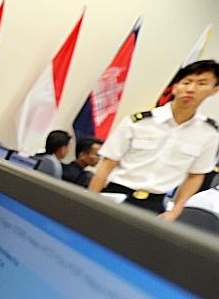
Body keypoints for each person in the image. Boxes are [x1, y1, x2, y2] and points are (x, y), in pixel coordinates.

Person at [89, 60, 219, 216]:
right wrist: (90, 200)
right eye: (187, 82)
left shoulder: (209, 134)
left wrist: (176, 211)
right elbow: (107, 165)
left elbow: (195, 176)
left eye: (201, 83)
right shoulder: (139, 122)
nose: (191, 89)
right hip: (115, 195)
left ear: (214, 90)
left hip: (155, 206)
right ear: (176, 87)